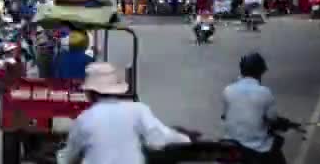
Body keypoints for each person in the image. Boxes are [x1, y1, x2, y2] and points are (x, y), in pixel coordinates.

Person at [61, 62, 191, 164]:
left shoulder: (85, 119)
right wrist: (186, 139)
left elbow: (69, 156)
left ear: (90, 93)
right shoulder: (138, 110)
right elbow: (159, 138)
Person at [222, 52, 284, 163]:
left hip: (229, 144)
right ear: (259, 73)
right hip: (256, 147)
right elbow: (273, 119)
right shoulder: (265, 93)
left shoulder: (228, 90)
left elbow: (225, 115)